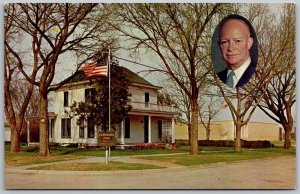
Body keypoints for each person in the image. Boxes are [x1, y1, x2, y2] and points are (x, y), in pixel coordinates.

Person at [217, 15, 257, 88]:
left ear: (249, 43)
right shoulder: (219, 77)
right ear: (219, 45)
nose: (230, 48)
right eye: (225, 42)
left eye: (237, 41)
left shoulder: (257, 75)